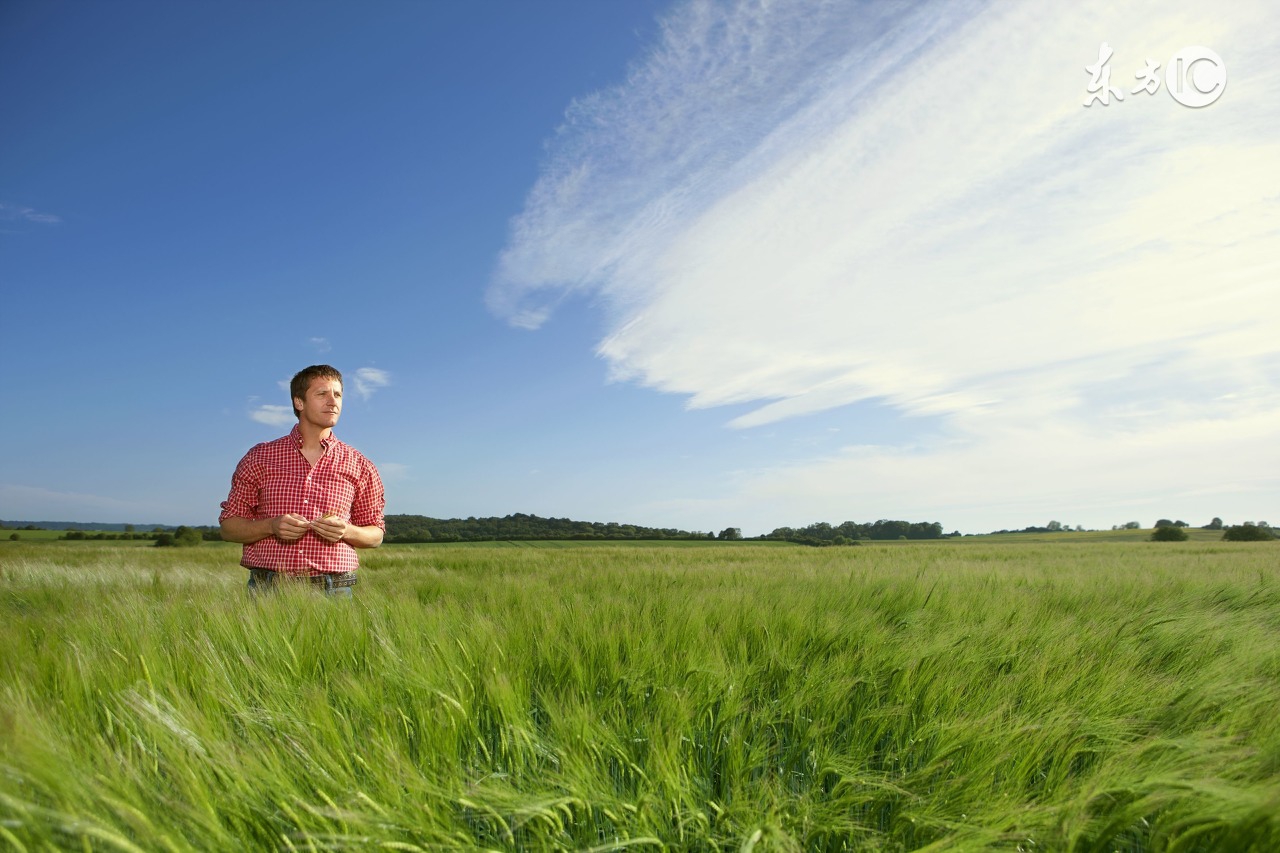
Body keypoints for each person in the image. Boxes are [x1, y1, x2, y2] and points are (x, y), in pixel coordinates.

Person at [220, 364, 385, 596]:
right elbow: (228, 528)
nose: (333, 401)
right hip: (268, 590)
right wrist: (271, 526)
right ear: (299, 403)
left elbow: (376, 534)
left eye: (338, 394)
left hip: (335, 591)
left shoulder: (361, 465)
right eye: (322, 394)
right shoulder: (260, 457)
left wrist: (345, 531)